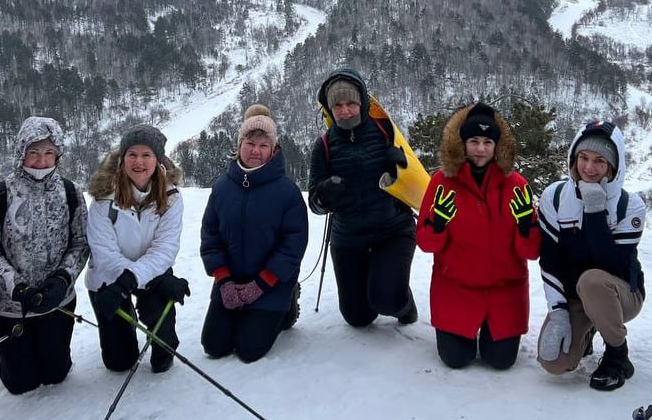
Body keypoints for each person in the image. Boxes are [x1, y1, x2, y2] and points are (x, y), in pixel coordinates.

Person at [416, 102, 540, 369]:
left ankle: (491, 330)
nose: (481, 149)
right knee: (455, 359)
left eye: (487, 141)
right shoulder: (441, 183)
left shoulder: (517, 186)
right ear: (462, 143)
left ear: (498, 146)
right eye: (473, 141)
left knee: (501, 361)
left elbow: (531, 252)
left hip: (504, 293)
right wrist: (437, 226)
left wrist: (525, 228)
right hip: (456, 290)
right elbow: (425, 243)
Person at [0, 116, 89, 395]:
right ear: (21, 152)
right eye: (34, 153)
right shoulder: (0, 194)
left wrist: (63, 279)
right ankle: (6, 359)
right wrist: (17, 287)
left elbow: (81, 243)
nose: (42, 161)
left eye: (49, 153)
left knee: (56, 375)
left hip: (58, 301)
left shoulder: (70, 191)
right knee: (21, 383)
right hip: (11, 307)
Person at [536, 120, 647, 391]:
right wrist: (559, 311)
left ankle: (617, 354)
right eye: (583, 158)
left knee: (593, 281)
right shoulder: (555, 196)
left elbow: (612, 264)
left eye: (600, 161)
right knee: (553, 362)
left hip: (622, 295)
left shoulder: (629, 206)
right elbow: (549, 260)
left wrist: (595, 210)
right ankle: (587, 329)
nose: (589, 167)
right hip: (575, 295)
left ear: (613, 166)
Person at [307, 68, 417, 327]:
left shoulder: (385, 131)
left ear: (363, 102)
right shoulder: (323, 146)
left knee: (386, 300)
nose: (345, 111)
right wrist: (324, 193)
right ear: (329, 109)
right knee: (358, 318)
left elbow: (416, 176)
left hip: (392, 230)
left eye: (351, 103)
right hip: (348, 237)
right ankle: (377, 280)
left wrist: (401, 166)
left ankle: (404, 303)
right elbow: (314, 203)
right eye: (338, 105)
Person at [200, 105, 309, 362]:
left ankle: (287, 304)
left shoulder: (288, 193)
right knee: (214, 346)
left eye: (263, 145)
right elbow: (210, 237)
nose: (255, 151)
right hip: (230, 283)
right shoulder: (222, 188)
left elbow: (292, 245)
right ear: (239, 145)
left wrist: (262, 284)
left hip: (271, 284)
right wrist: (224, 281)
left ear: (273, 149)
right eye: (250, 143)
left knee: (248, 350)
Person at [85, 124, 190, 374]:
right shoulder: (103, 199)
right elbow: (104, 254)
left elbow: (165, 249)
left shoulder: (171, 197)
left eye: (146, 155)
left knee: (163, 347)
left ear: (158, 160)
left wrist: (140, 279)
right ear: (122, 159)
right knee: (119, 362)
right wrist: (136, 282)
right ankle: (125, 318)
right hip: (109, 280)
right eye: (132, 154)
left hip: (151, 271)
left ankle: (163, 340)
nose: (139, 162)